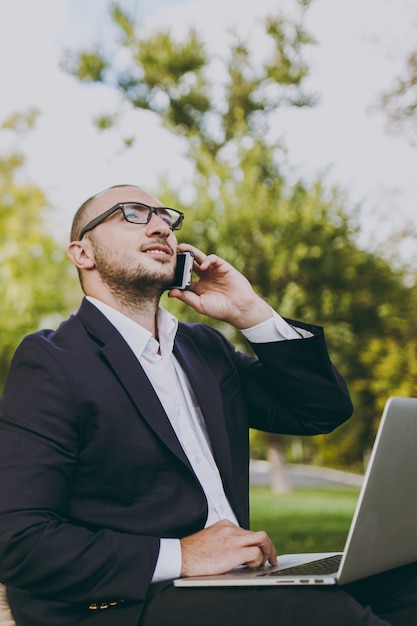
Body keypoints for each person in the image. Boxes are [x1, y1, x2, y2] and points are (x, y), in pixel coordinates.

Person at [0, 184, 416, 626]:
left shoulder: (205, 350)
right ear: (83, 254)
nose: (161, 225)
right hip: (123, 601)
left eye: (166, 217)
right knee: (325, 614)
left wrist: (251, 310)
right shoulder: (51, 360)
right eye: (134, 213)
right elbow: (19, 540)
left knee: (407, 580)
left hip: (232, 585)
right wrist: (181, 555)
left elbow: (320, 409)